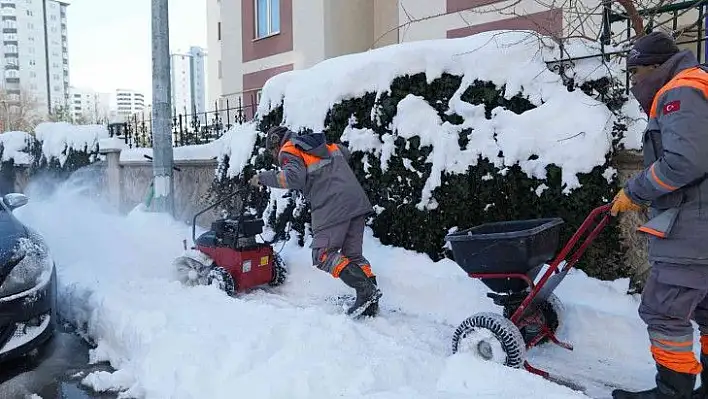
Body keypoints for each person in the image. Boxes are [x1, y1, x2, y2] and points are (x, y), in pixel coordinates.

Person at [610, 31, 708, 399]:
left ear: (653, 68)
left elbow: (684, 163)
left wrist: (634, 191)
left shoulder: (679, 92)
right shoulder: (701, 83)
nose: (634, 84)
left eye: (636, 74)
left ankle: (672, 394)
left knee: (665, 311)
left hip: (693, 228)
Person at [249, 125, 382, 318]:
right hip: (355, 200)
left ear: (275, 144)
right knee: (353, 255)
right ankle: (371, 300)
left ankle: (366, 292)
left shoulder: (289, 150)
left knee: (322, 255)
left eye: (272, 151)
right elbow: (345, 153)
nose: (274, 156)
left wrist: (262, 178)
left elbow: (293, 178)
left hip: (332, 204)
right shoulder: (318, 144)